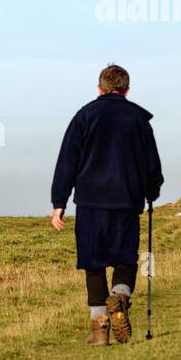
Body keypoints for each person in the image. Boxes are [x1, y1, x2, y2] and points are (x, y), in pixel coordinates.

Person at [50, 64, 163, 345]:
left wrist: (58, 202)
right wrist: (152, 191)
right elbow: (151, 164)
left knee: (93, 263)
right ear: (126, 90)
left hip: (90, 202)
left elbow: (68, 161)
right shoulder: (138, 119)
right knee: (125, 259)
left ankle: (100, 330)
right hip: (126, 200)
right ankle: (121, 297)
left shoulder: (84, 117)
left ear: (99, 88)